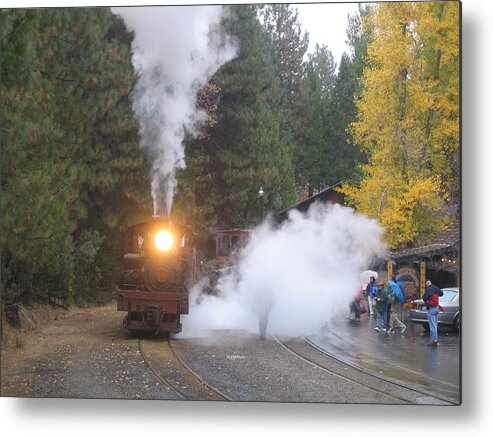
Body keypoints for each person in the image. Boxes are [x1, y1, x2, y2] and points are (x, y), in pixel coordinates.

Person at [422, 279, 443, 346]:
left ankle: (432, 341)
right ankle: (435, 340)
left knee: (432, 326)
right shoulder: (436, 288)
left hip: (431, 308)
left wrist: (427, 300)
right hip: (437, 308)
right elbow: (441, 293)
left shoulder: (429, 289)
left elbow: (424, 298)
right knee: (435, 325)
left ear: (427, 284)